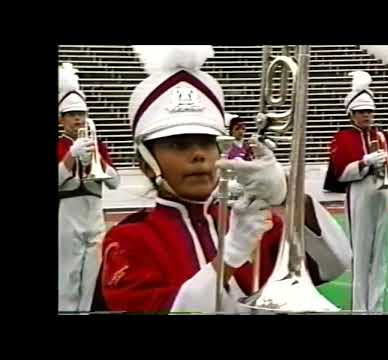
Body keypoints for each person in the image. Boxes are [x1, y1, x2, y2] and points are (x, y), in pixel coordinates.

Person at [99, 46, 351, 314]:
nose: (198, 155)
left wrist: (288, 194)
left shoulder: (251, 220)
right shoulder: (128, 240)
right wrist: (230, 256)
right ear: (147, 164)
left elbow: (334, 263)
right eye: (179, 145)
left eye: (207, 143)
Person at [323, 71, 388, 313]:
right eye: (362, 112)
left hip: (384, 193)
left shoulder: (383, 136)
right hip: (359, 192)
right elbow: (340, 173)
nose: (368, 116)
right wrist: (366, 162)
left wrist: (386, 165)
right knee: (361, 251)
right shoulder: (343, 137)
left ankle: (376, 307)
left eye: (370, 111)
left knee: (381, 253)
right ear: (352, 114)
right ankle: (359, 308)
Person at [58, 63, 120, 312]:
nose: (78, 119)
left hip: (94, 211)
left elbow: (115, 182)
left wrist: (98, 159)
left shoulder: (98, 144)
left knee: (92, 274)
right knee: (67, 272)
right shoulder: (60, 145)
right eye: (72, 114)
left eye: (81, 114)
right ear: (61, 119)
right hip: (68, 213)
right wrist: (71, 156)